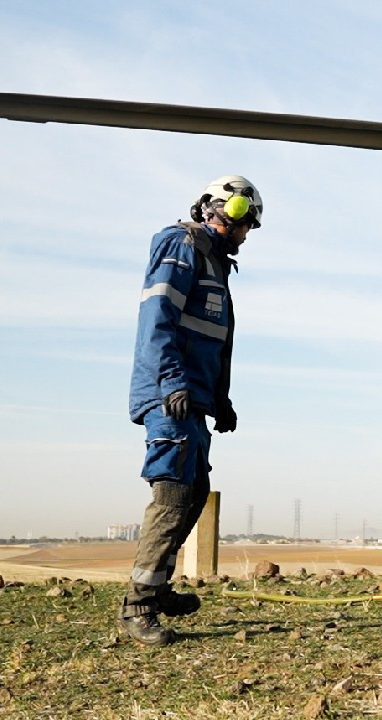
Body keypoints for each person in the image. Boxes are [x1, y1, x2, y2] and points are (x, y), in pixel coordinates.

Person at [118, 175, 263, 646]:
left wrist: (218, 399)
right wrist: (174, 382)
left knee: (194, 491)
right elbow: (157, 321)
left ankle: (157, 589)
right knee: (174, 494)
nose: (245, 232)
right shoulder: (182, 246)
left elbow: (211, 341)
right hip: (170, 394)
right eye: (242, 218)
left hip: (191, 397)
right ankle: (138, 604)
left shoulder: (212, 261)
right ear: (217, 207)